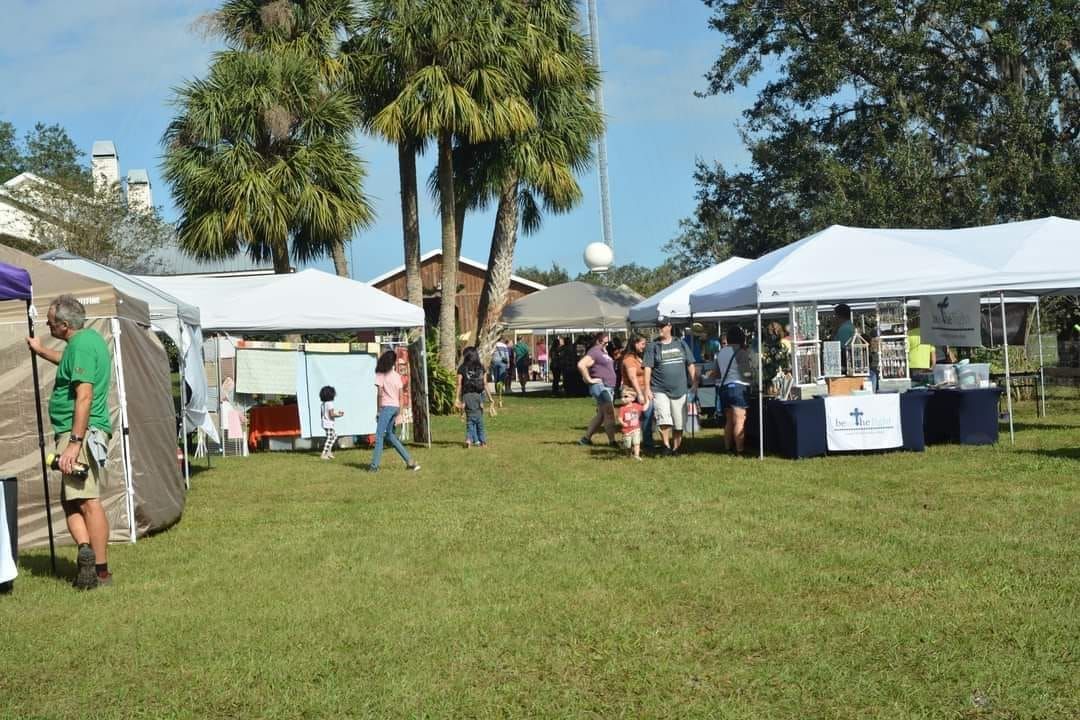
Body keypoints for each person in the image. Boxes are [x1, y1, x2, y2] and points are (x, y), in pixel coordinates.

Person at [26, 294, 113, 589]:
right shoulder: (87, 343)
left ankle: (98, 570)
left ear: (64, 324)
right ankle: (86, 551)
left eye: (50, 322)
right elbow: (67, 361)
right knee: (71, 500)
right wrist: (40, 351)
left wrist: (75, 442)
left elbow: (84, 395)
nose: (47, 326)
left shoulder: (82, 345)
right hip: (81, 433)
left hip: (79, 434)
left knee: (87, 501)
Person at [643, 317, 698, 456]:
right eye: (658, 326)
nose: (659, 329)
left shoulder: (681, 344)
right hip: (659, 389)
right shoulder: (652, 346)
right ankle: (666, 446)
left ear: (669, 327)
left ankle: (676, 448)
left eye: (662, 326)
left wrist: (695, 382)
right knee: (664, 419)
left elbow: (690, 364)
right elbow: (648, 368)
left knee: (679, 423)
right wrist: (647, 389)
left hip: (680, 389)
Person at [370, 350, 420, 472]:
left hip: (386, 407)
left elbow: (380, 394)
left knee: (379, 436)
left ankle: (374, 466)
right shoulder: (397, 376)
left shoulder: (380, 374)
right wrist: (400, 412)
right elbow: (401, 396)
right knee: (390, 435)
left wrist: (378, 411)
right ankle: (410, 461)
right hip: (395, 407)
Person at [710, 326, 754, 454]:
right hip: (738, 388)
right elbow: (745, 373)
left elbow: (717, 374)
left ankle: (727, 448)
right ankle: (740, 450)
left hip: (724, 389)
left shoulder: (721, 352)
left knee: (729, 421)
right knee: (740, 420)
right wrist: (753, 378)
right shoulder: (741, 352)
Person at [576, 332, 618, 446]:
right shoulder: (594, 351)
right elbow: (581, 364)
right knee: (609, 413)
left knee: (601, 415)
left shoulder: (602, 352)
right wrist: (589, 379)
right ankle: (612, 441)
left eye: (607, 343)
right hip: (601, 387)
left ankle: (585, 439)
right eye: (603, 342)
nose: (606, 344)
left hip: (608, 386)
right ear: (598, 341)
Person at [621, 334, 654, 450]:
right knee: (641, 417)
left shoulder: (639, 357)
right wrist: (640, 394)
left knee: (645, 417)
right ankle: (643, 444)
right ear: (635, 344)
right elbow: (632, 378)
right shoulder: (629, 359)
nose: (644, 346)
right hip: (633, 392)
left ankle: (641, 443)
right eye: (642, 344)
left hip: (644, 390)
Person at [455, 346, 489, 448]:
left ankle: (473, 439)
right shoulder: (481, 367)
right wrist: (490, 398)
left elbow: (459, 384)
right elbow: (485, 383)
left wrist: (457, 398)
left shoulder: (462, 368)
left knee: (470, 418)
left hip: (467, 395)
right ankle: (480, 440)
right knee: (479, 418)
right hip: (479, 395)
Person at [907, 314, 936, 384]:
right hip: (925, 366)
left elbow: (906, 351)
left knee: (914, 386)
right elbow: (933, 353)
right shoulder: (929, 334)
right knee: (925, 387)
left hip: (912, 365)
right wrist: (933, 366)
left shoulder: (909, 333)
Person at [617, 387, 644, 461]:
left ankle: (636, 455)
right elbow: (619, 418)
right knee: (627, 445)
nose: (623, 398)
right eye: (622, 396)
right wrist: (623, 423)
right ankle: (628, 455)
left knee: (636, 442)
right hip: (626, 430)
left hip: (636, 428)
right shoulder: (622, 408)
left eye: (626, 396)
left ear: (633, 398)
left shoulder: (636, 406)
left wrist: (647, 401)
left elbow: (644, 408)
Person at [319, 385, 345, 460]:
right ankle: (324, 454)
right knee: (330, 438)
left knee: (334, 436)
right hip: (329, 424)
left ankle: (329, 452)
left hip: (324, 423)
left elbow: (323, 414)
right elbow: (331, 414)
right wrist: (339, 415)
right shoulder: (330, 403)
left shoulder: (323, 404)